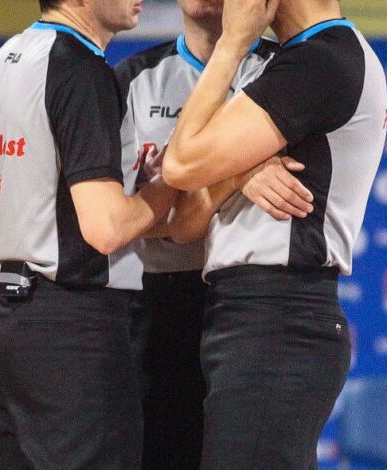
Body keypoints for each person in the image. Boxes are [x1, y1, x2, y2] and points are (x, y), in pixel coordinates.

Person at [160, 0, 387, 466]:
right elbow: (183, 223)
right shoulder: (283, 60)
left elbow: (181, 164)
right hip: (246, 314)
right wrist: (237, 174)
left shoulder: (322, 59)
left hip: (281, 315)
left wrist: (230, 44)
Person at [0, 0, 177, 467]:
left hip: (11, 326)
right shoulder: (82, 70)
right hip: (74, 332)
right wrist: (174, 181)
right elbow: (107, 228)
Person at [114, 0, 315, 466]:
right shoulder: (132, 79)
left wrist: (194, 189)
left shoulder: (288, 69)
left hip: (257, 299)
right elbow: (115, 218)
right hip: (158, 306)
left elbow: (304, 193)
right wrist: (237, 174)